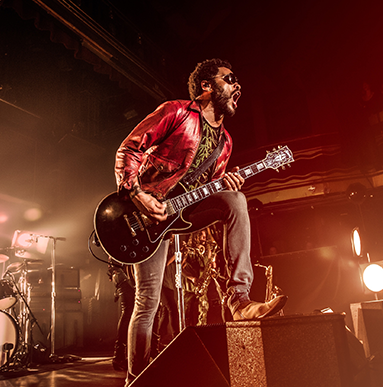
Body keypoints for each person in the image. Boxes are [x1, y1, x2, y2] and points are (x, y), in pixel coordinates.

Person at [114, 58, 287, 384]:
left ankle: (239, 299)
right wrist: (137, 194)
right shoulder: (176, 112)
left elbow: (210, 194)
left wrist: (226, 185)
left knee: (235, 199)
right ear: (207, 87)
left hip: (183, 214)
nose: (238, 86)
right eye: (230, 79)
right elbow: (129, 149)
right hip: (146, 212)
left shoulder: (226, 143)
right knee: (147, 302)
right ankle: (135, 380)